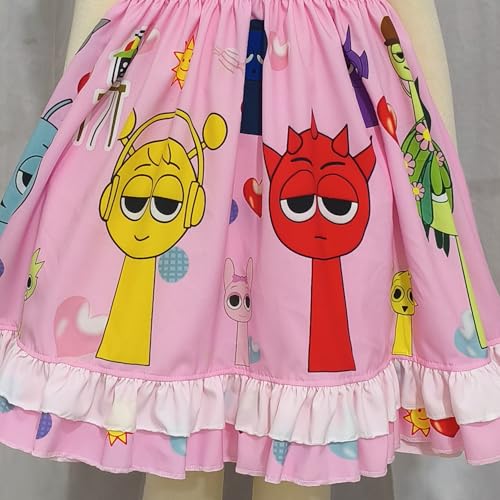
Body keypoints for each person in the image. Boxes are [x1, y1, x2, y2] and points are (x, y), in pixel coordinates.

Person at [0, 1, 499, 499]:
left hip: (323, 115)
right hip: (180, 99)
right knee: (176, 415)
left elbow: (411, 9)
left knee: (302, 404)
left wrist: (438, 165)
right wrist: (77, 132)